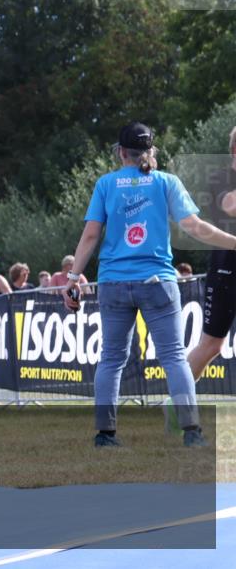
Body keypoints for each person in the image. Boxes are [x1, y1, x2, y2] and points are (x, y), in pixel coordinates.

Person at [63, 122, 236, 448]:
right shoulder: (166, 182)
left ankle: (105, 434)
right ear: (152, 151)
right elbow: (195, 227)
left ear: (120, 152)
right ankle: (191, 431)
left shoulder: (106, 184)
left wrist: (73, 277)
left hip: (114, 282)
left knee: (111, 359)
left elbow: (90, 236)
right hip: (158, 281)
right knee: (173, 356)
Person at [186, 125, 236, 386]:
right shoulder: (221, 178)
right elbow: (230, 207)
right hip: (226, 271)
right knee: (212, 345)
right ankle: (174, 403)